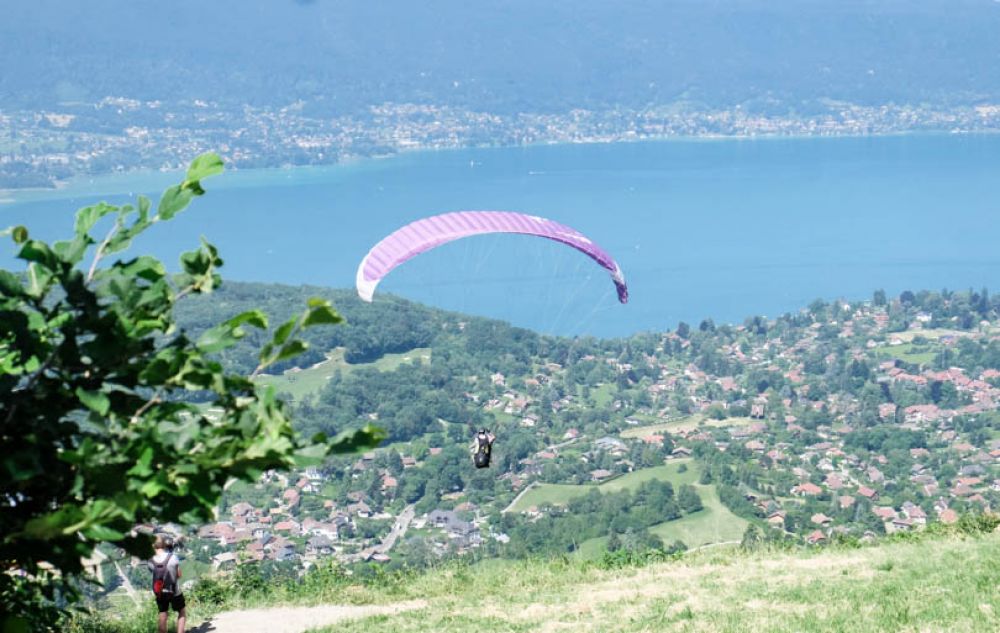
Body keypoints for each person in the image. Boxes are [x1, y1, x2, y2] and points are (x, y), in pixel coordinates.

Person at [149, 536, 186, 633]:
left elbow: (154, 572)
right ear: (164, 545)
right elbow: (179, 575)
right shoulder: (173, 557)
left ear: (153, 546)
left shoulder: (150, 561)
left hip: (160, 591)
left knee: (163, 613)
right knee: (181, 612)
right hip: (175, 591)